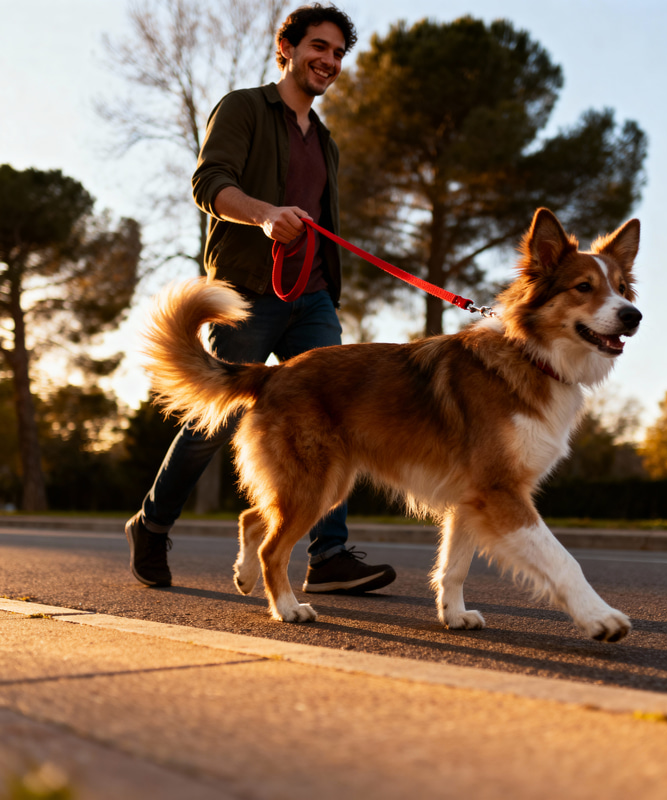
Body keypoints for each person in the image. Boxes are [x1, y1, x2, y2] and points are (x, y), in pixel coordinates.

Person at [125, 3, 396, 596]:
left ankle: (328, 554)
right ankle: (151, 523)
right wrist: (265, 215)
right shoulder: (244, 108)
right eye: (318, 48)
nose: (328, 60)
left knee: (340, 418)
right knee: (213, 419)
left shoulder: (326, 142)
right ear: (288, 50)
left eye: (337, 53)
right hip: (249, 292)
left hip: (314, 298)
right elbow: (210, 183)